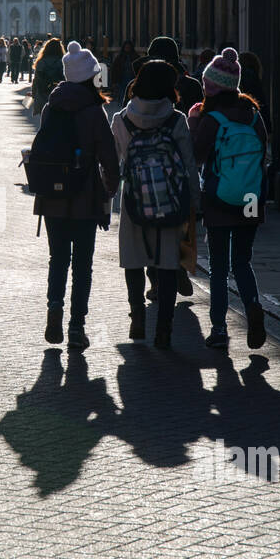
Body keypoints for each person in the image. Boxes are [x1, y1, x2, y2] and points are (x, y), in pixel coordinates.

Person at [35, 41, 120, 350]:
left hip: (53, 196)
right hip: (85, 196)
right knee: (83, 264)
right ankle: (76, 327)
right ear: (89, 77)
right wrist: (110, 189)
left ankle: (54, 307)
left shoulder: (51, 106)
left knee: (58, 258)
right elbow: (109, 158)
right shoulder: (94, 111)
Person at [111, 60, 199, 348]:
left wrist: (104, 201)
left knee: (134, 260)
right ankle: (164, 327)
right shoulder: (176, 120)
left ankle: (137, 317)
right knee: (168, 263)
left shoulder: (122, 120)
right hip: (170, 202)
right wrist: (194, 206)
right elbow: (188, 166)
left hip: (134, 202)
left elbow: (114, 165)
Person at [192, 48, 269, 351]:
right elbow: (264, 151)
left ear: (211, 86)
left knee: (219, 267)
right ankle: (252, 305)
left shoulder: (210, 118)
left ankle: (220, 329)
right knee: (242, 261)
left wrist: (194, 122)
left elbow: (197, 155)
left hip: (219, 197)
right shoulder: (253, 116)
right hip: (251, 197)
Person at [31, 37, 64, 116]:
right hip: (57, 94)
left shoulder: (41, 62)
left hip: (42, 93)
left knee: (44, 118)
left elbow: (36, 79)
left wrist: (34, 92)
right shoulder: (62, 62)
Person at [111, 40, 138, 109]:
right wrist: (114, 82)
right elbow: (114, 70)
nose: (127, 49)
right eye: (126, 47)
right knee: (122, 95)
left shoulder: (135, 57)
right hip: (122, 79)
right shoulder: (119, 58)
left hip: (132, 79)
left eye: (128, 47)